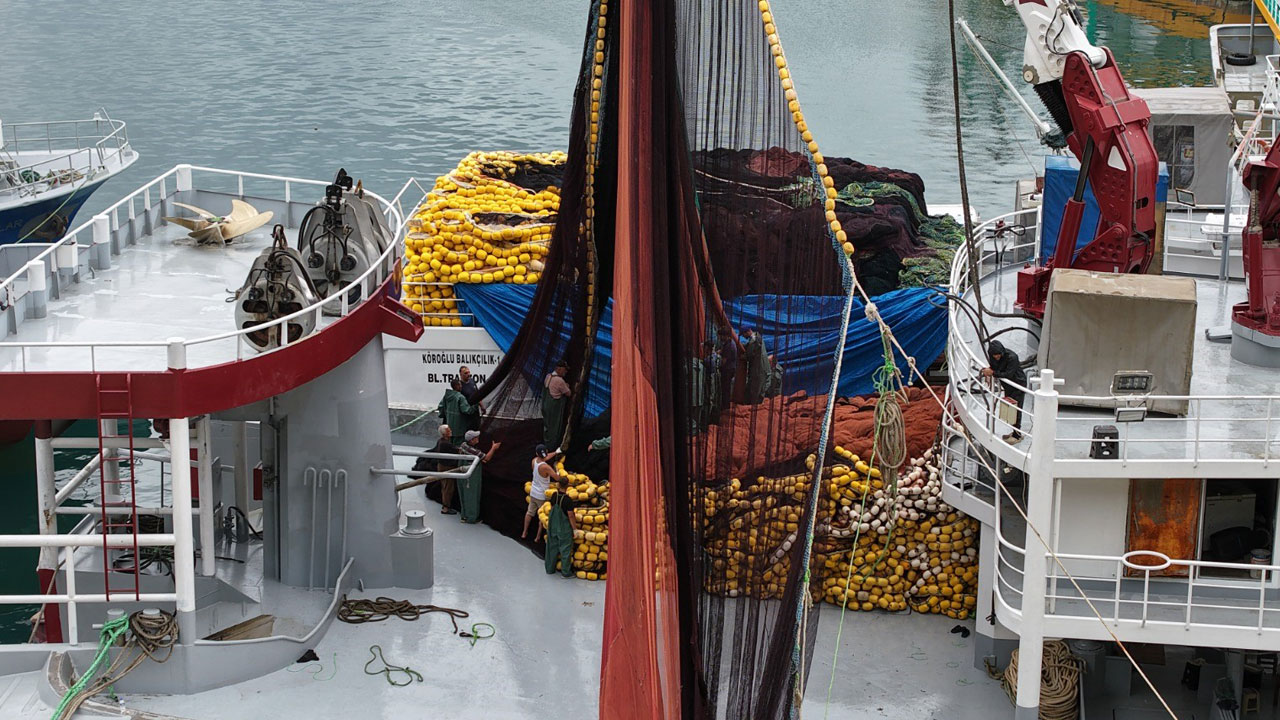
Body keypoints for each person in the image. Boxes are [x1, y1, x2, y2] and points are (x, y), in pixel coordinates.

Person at [981, 340, 1028, 443]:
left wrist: (992, 372)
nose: (996, 357)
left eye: (998, 355)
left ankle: (1017, 436)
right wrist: (988, 372)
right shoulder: (993, 357)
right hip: (1008, 386)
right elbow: (995, 368)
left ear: (1002, 352)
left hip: (1018, 385)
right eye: (994, 356)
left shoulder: (1012, 357)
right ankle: (1015, 432)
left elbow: (1008, 374)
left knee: (1016, 409)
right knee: (1011, 409)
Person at [456, 430, 500, 524]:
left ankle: (464, 515)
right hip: (471, 477)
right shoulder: (472, 450)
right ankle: (471, 518)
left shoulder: (463, 445)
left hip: (462, 475)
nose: (478, 438)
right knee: (471, 496)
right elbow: (486, 458)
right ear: (471, 441)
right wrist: (493, 448)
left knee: (464, 494)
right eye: (476, 437)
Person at [414, 424, 459, 515]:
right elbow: (457, 451)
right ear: (445, 433)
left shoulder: (441, 442)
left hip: (441, 466)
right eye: (448, 430)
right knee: (448, 488)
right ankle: (446, 508)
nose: (450, 431)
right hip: (446, 468)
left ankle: (445, 506)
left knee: (444, 486)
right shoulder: (446, 444)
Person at [524, 444, 562, 541]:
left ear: (537, 453)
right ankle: (537, 537)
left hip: (533, 492)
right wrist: (559, 472)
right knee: (542, 516)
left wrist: (555, 452)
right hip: (542, 495)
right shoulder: (546, 467)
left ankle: (524, 532)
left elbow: (544, 457)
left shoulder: (534, 461)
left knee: (529, 513)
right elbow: (557, 478)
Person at [544, 475, 579, 578]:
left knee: (551, 548)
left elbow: (552, 508)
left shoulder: (554, 495)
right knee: (565, 550)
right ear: (568, 485)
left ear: (558, 485)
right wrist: (575, 529)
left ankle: (550, 569)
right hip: (563, 528)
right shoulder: (568, 500)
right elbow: (571, 515)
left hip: (553, 526)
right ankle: (566, 572)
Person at [541, 360, 571, 447]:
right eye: (564, 370)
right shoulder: (559, 380)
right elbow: (568, 393)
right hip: (554, 408)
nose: (565, 372)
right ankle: (552, 447)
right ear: (559, 369)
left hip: (545, 406)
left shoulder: (548, 376)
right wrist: (567, 386)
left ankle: (546, 444)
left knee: (547, 426)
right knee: (554, 428)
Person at [743, 327, 770, 403]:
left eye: (743, 335)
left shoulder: (754, 340)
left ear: (748, 331)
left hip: (758, 369)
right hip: (760, 368)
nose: (744, 337)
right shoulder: (757, 337)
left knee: (756, 389)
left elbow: (749, 354)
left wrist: (744, 356)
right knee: (759, 388)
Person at [718, 332, 738, 411]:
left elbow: (724, 361)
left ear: (724, 335)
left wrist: (718, 366)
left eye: (720, 336)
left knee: (725, 389)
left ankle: (725, 408)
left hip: (727, 370)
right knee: (727, 388)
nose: (719, 338)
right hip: (731, 369)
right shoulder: (730, 343)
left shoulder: (729, 346)